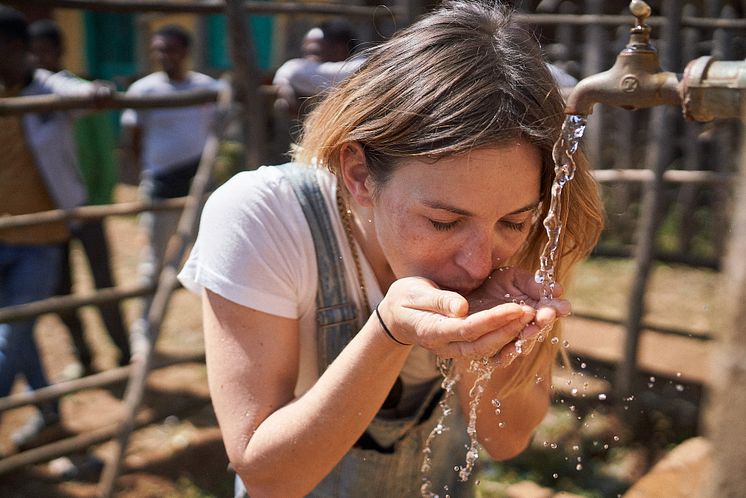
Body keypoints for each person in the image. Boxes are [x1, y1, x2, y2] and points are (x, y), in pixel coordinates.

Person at [178, 1, 604, 496]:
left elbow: (506, 441)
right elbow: (267, 475)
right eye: (444, 221)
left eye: (513, 221)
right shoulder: (267, 217)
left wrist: (487, 347)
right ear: (359, 175)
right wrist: (388, 333)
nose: (479, 261)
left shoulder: (523, 233)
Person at [0, 6, 107, 450]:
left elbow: (79, 90)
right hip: (2, 233)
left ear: (19, 50)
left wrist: (95, 91)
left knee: (11, 336)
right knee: (16, 336)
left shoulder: (47, 89)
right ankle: (48, 414)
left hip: (41, 239)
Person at [29, 18, 131, 376]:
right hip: (49, 211)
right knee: (62, 290)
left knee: (103, 283)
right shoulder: (28, 98)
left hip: (87, 206)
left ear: (60, 51)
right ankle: (84, 356)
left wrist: (98, 203)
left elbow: (104, 154)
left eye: (45, 51)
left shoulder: (79, 94)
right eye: (34, 52)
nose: (39, 58)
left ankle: (124, 352)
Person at [119, 24, 220, 320]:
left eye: (170, 49)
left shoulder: (206, 87)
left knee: (213, 259)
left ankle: (214, 329)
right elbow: (133, 139)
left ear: (186, 52)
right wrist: (146, 172)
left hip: (198, 182)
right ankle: (145, 329)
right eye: (158, 49)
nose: (164, 56)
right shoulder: (143, 90)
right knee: (153, 262)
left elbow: (221, 120)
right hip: (160, 181)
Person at [272, 19, 363, 118]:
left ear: (339, 50)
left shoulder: (359, 67)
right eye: (306, 53)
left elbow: (294, 71)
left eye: (315, 52)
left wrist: (283, 80)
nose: (308, 60)